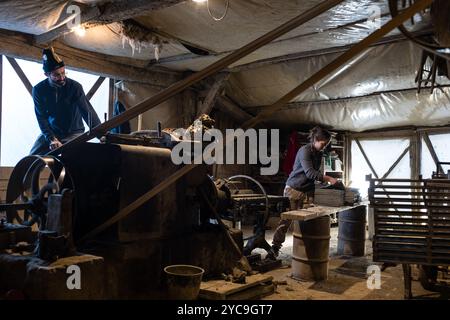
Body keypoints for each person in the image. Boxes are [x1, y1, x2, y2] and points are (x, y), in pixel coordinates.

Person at [267, 126, 338, 259]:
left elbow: (316, 174)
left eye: (326, 144)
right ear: (316, 140)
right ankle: (274, 249)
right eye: (323, 144)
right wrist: (328, 179)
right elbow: (310, 173)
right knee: (286, 221)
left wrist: (323, 185)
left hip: (307, 190)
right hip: (293, 190)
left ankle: (305, 249)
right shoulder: (304, 151)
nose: (324, 147)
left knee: (309, 219)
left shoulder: (319, 152)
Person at [29, 47, 101, 155]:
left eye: (63, 73)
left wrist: (101, 134)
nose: (62, 78)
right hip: (53, 132)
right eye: (57, 75)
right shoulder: (39, 90)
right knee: (31, 160)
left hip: (74, 133)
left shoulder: (75, 87)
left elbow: (87, 112)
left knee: (71, 159)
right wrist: (51, 138)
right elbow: (41, 117)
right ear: (47, 74)